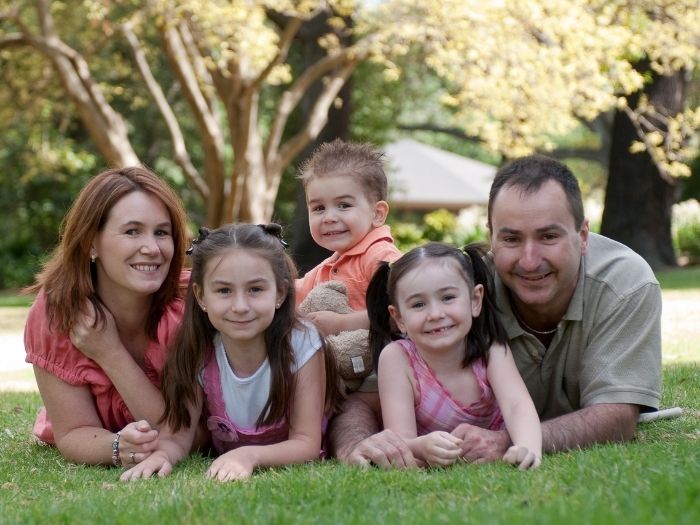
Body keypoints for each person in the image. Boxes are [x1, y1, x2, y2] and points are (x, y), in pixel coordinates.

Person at [329, 154, 662, 467]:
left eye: (548, 236)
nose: (529, 261)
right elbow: (363, 401)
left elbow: (617, 415)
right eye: (512, 239)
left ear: (583, 236)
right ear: (491, 238)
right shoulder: (455, 290)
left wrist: (507, 442)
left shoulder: (625, 285)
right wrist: (355, 447)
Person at [121, 223, 338, 482]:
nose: (240, 306)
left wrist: (248, 456)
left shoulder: (302, 342)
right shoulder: (198, 347)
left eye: (255, 290)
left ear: (280, 292)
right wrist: (163, 455)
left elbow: (306, 443)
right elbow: (179, 435)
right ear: (201, 297)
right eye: (224, 291)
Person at [24, 166, 189, 467]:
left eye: (162, 232)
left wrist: (109, 353)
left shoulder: (193, 304)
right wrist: (117, 446)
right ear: (91, 243)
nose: (152, 248)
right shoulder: (58, 312)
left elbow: (186, 433)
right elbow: (73, 431)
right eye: (132, 231)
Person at [368, 242, 541, 469]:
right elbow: (400, 440)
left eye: (448, 297)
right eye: (418, 304)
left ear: (475, 300)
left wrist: (528, 447)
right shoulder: (397, 358)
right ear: (399, 318)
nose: (436, 314)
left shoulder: (490, 349)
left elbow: (517, 404)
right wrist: (422, 447)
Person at [295, 139, 402, 337]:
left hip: (381, 363)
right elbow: (293, 292)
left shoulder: (381, 256)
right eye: (318, 208)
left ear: (377, 213)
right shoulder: (330, 264)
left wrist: (342, 323)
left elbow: (402, 312)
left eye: (343, 205)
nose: (329, 218)